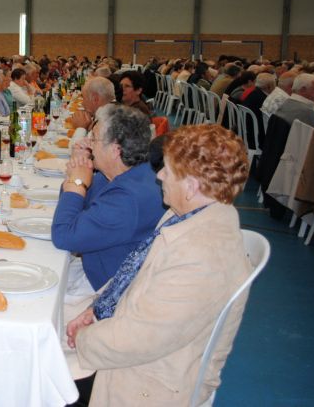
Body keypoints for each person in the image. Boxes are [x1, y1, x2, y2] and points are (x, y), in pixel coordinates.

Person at [66, 124, 252, 406]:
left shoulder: (202, 257)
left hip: (148, 381)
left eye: (168, 170)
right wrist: (97, 308)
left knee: (39, 374)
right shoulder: (190, 214)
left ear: (191, 186)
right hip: (142, 347)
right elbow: (134, 276)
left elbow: (139, 340)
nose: (160, 175)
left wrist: (84, 338)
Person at [52, 104, 165, 291]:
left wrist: (76, 183)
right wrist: (79, 172)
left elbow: (64, 235)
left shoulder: (126, 200)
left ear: (115, 150)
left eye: (93, 138)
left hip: (108, 290)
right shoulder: (131, 174)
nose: (88, 143)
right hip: (103, 270)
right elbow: (77, 206)